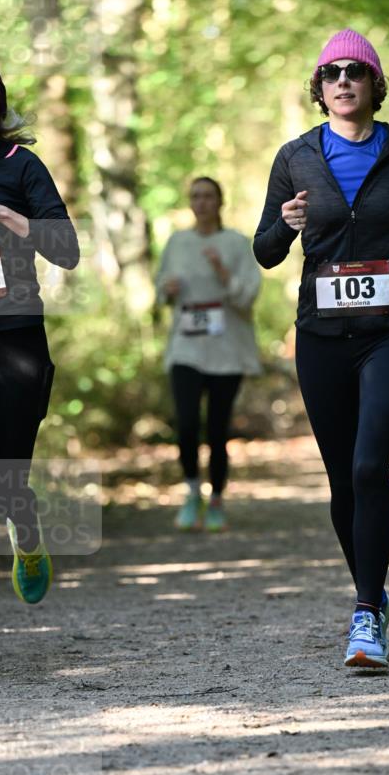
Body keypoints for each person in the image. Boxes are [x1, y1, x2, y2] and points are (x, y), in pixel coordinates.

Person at [254, 29, 389, 669]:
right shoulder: (294, 157)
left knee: (371, 464)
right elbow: (263, 251)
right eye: (331, 74)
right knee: (343, 478)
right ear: (320, 89)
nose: (343, 81)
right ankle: (372, 592)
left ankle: (367, 611)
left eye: (356, 72)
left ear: (374, 84)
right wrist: (284, 227)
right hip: (320, 336)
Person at [0, 54, 79, 683]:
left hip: (14, 346)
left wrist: (2, 212)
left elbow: (68, 249)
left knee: (4, 484)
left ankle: (24, 527)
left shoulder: (20, 166)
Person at [156, 177, 261, 532]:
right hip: (185, 347)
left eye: (208, 196)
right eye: (195, 197)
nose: (201, 202)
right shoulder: (177, 242)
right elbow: (160, 292)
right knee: (186, 423)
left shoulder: (236, 243)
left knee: (217, 430)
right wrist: (167, 291)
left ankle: (216, 498)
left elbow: (247, 296)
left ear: (220, 201)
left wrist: (222, 272)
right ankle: (190, 492)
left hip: (226, 350)